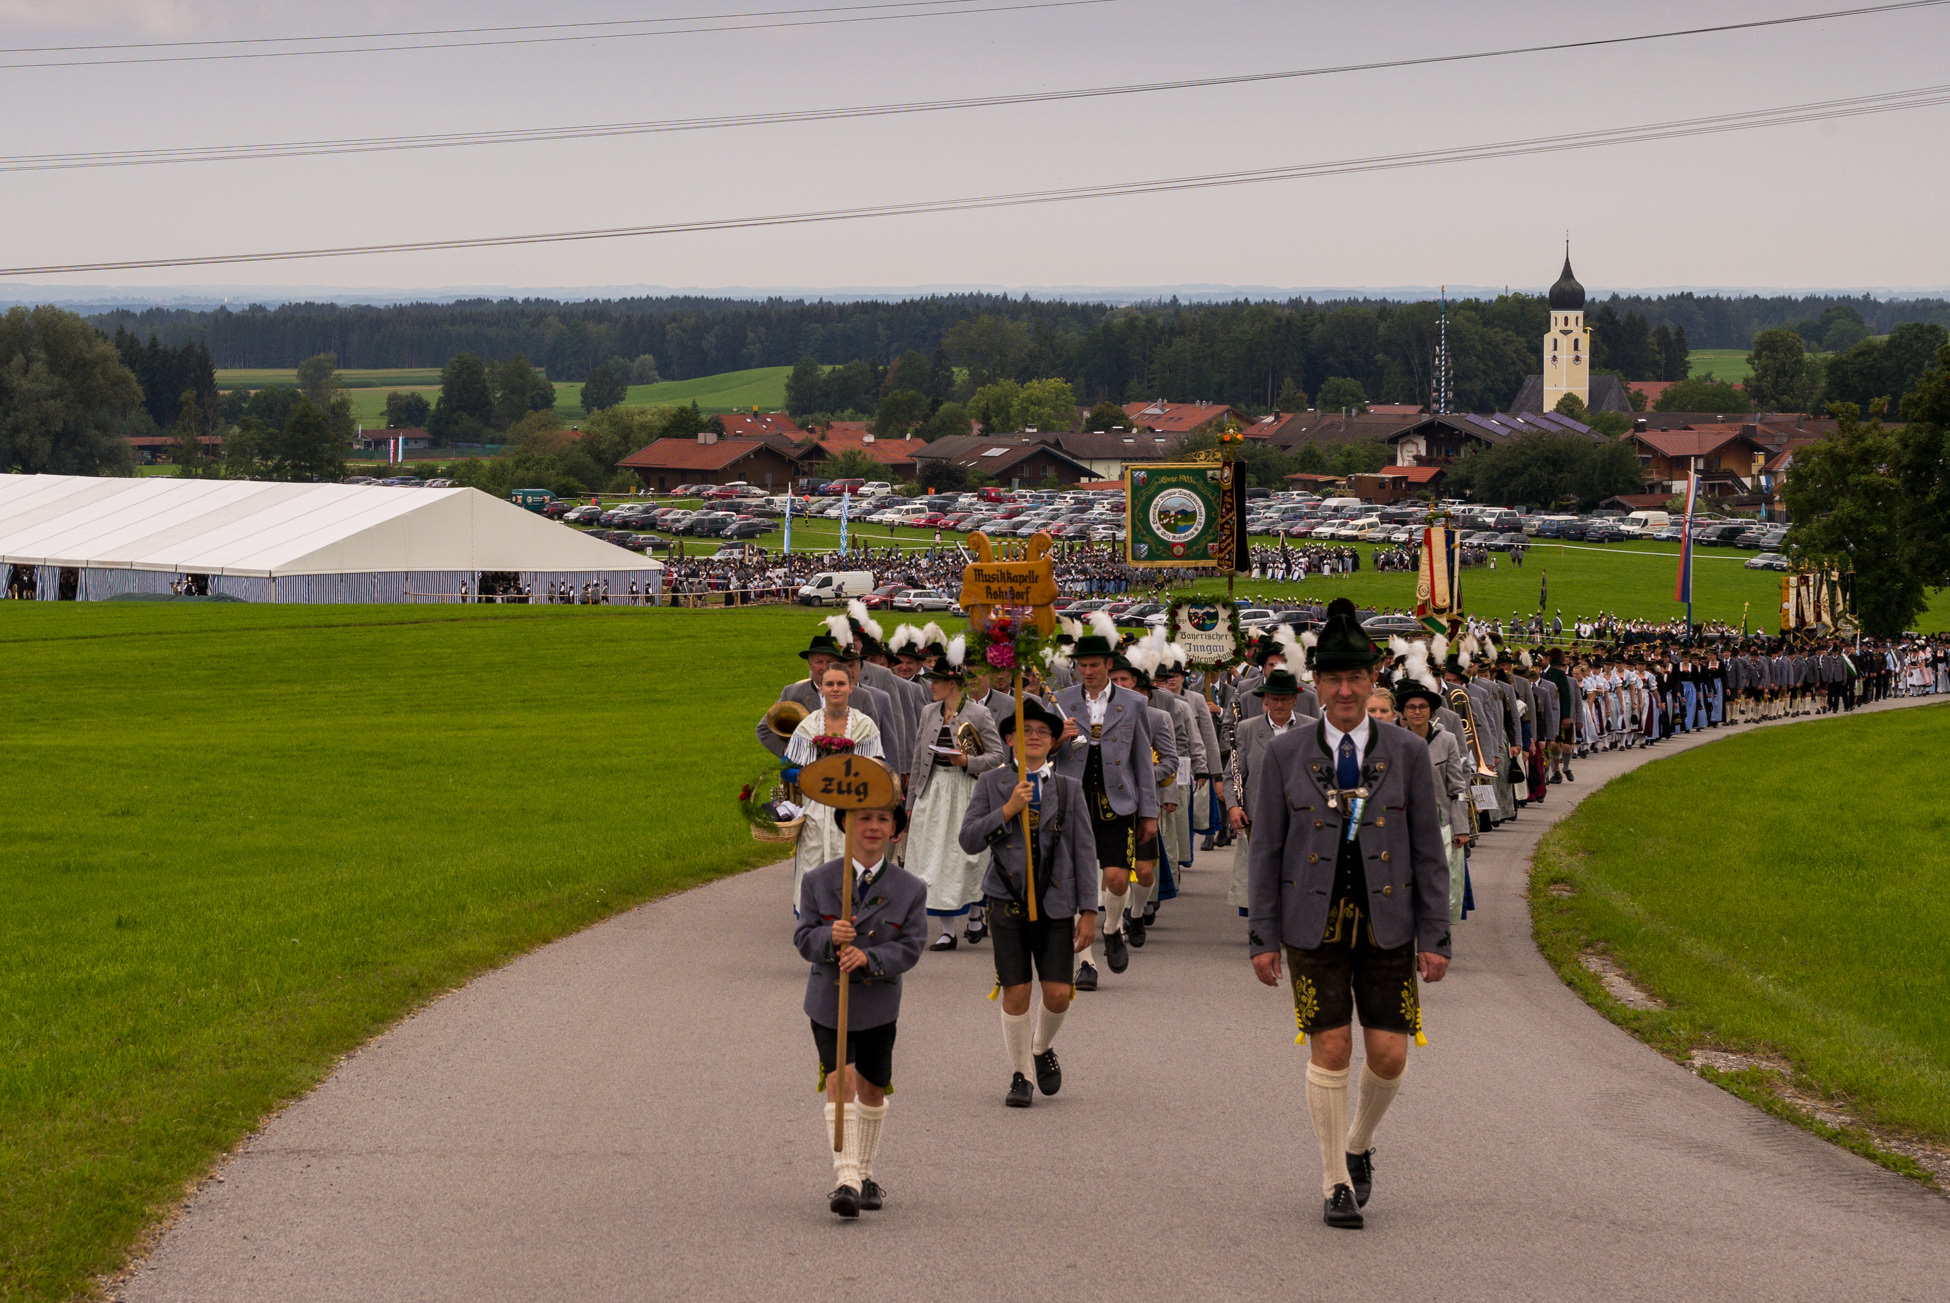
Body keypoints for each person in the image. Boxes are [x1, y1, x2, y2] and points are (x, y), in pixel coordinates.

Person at [1247, 598, 1451, 1230]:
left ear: (1372, 679)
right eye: (1332, 679)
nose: (1343, 690)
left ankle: (1358, 1142)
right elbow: (1266, 848)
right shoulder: (1284, 754)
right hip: (1312, 923)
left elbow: (1429, 850)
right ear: (1315, 682)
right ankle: (1335, 1177)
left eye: (1355, 678)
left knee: (1388, 1055)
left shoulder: (1407, 752)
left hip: (1389, 924)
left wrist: (1436, 934)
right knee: (1332, 1047)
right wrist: (1261, 935)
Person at [959, 696, 1098, 1107]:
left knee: (1057, 993)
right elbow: (969, 840)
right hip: (1007, 901)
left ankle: (1041, 1046)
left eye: (1042, 732)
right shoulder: (992, 784)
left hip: (1056, 902)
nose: (1034, 737)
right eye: (1025, 731)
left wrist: (1089, 911)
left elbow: (1084, 851)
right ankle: (1020, 1074)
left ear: (1053, 742)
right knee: (1016, 990)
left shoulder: (1069, 789)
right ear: (1009, 740)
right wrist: (1007, 809)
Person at [793, 797, 927, 1218]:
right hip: (829, 1001)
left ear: (895, 830)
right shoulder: (818, 881)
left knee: (872, 1087)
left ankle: (865, 1172)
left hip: (878, 1004)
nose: (872, 827)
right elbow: (803, 938)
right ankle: (846, 1179)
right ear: (845, 825)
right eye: (863, 818)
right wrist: (829, 938)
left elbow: (911, 946)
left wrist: (871, 958)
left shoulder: (910, 888)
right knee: (841, 1080)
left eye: (882, 819)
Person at [1052, 616, 1159, 990]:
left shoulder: (1133, 703)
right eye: (1082, 666)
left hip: (1118, 803)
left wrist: (1149, 812)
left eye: (1094, 665)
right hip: (1072, 802)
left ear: (1109, 665)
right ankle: (1085, 962)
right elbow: (1041, 755)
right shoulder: (1060, 701)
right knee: (1075, 882)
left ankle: (1112, 928)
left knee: (1116, 877)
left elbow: (1142, 761)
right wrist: (1058, 739)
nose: (1088, 672)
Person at [904, 638, 1005, 949]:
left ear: (952, 683)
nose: (931, 686)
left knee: (966, 856)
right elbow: (918, 758)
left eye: (936, 681)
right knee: (932, 857)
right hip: (933, 789)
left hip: (965, 790)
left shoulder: (978, 713)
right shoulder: (928, 712)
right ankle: (947, 930)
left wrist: (967, 762)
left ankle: (975, 914)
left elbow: (997, 756)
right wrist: (911, 801)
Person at [785, 664, 886, 907]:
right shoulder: (808, 725)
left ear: (851, 687)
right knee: (813, 864)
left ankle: (852, 917)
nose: (835, 689)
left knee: (851, 865)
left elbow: (878, 769)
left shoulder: (864, 725)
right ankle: (814, 918)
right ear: (820, 688)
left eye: (841, 683)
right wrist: (813, 777)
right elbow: (787, 769)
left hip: (853, 810)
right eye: (829, 684)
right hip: (816, 811)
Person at [1225, 668, 1315, 919]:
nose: (1279, 704)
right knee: (1264, 871)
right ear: (1265, 700)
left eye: (1284, 699)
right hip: (1258, 813)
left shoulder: (1312, 728)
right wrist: (1233, 805)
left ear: (1294, 700)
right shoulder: (1247, 729)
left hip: (1300, 815)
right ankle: (1266, 922)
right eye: (1274, 698)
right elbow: (1234, 772)